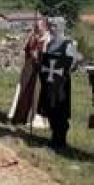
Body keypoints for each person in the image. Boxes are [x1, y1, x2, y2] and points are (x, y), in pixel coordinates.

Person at [37, 16, 78, 151]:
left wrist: (67, 68)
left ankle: (60, 142)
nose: (52, 28)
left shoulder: (68, 44)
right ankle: (54, 139)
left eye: (55, 26)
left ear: (61, 27)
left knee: (60, 112)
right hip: (49, 85)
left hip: (61, 86)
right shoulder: (49, 44)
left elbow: (73, 64)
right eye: (51, 26)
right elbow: (45, 64)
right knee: (51, 111)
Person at [8, 18, 50, 128]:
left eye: (38, 27)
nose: (36, 29)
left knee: (38, 94)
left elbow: (47, 55)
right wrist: (32, 52)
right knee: (24, 91)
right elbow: (28, 50)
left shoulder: (48, 38)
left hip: (42, 71)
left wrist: (39, 56)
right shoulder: (33, 37)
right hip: (30, 69)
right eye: (35, 27)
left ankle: (37, 117)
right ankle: (21, 115)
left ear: (45, 27)